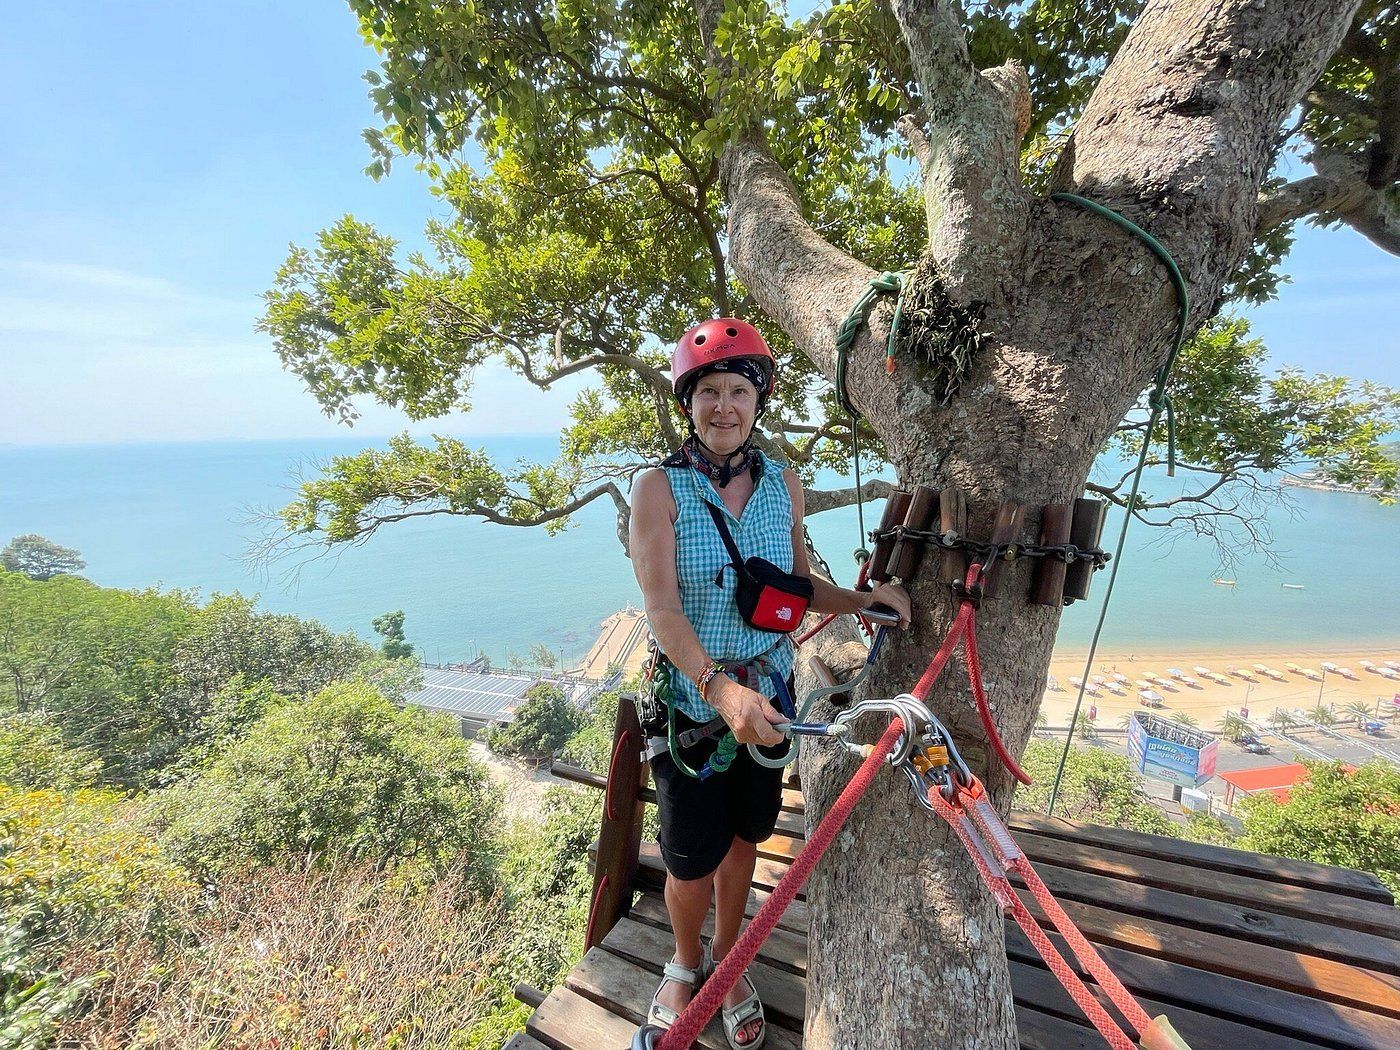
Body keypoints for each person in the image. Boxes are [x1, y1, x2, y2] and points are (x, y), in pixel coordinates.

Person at [629, 317, 911, 1047]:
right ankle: (686, 962)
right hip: (693, 707)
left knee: (746, 840)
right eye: (709, 393)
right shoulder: (658, 488)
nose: (725, 407)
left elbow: (790, 586)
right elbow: (660, 606)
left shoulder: (782, 480)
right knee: (690, 857)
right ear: (687, 404)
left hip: (773, 698)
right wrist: (720, 689)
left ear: (758, 402)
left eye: (738, 392)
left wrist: (858, 600)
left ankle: (730, 959)